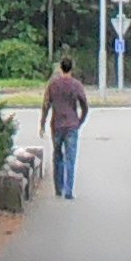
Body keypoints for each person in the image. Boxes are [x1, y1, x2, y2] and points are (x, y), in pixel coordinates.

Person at [40, 57, 90, 199]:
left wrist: (42, 123)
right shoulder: (76, 85)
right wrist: (80, 121)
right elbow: (84, 105)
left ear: (60, 68)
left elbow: (46, 105)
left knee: (57, 156)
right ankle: (69, 190)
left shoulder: (53, 85)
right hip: (72, 124)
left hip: (57, 124)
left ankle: (58, 188)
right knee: (70, 158)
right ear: (71, 68)